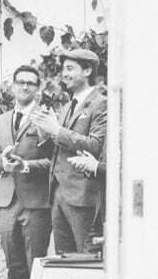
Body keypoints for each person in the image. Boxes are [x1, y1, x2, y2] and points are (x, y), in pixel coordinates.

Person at [0, 66, 53, 279]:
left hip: (35, 201)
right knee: (15, 266)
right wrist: (2, 162)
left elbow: (53, 161)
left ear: (37, 88)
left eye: (30, 83)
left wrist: (25, 165)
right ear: (12, 86)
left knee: (34, 264)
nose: (25, 87)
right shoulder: (2, 120)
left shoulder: (45, 118)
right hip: (7, 201)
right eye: (20, 82)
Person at [31, 48, 107, 254]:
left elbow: (95, 145)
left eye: (70, 68)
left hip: (83, 197)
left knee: (86, 259)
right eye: (63, 69)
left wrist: (57, 130)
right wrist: (45, 134)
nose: (64, 74)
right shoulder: (66, 107)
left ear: (88, 70)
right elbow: (57, 149)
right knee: (64, 262)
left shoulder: (101, 104)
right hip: (58, 196)